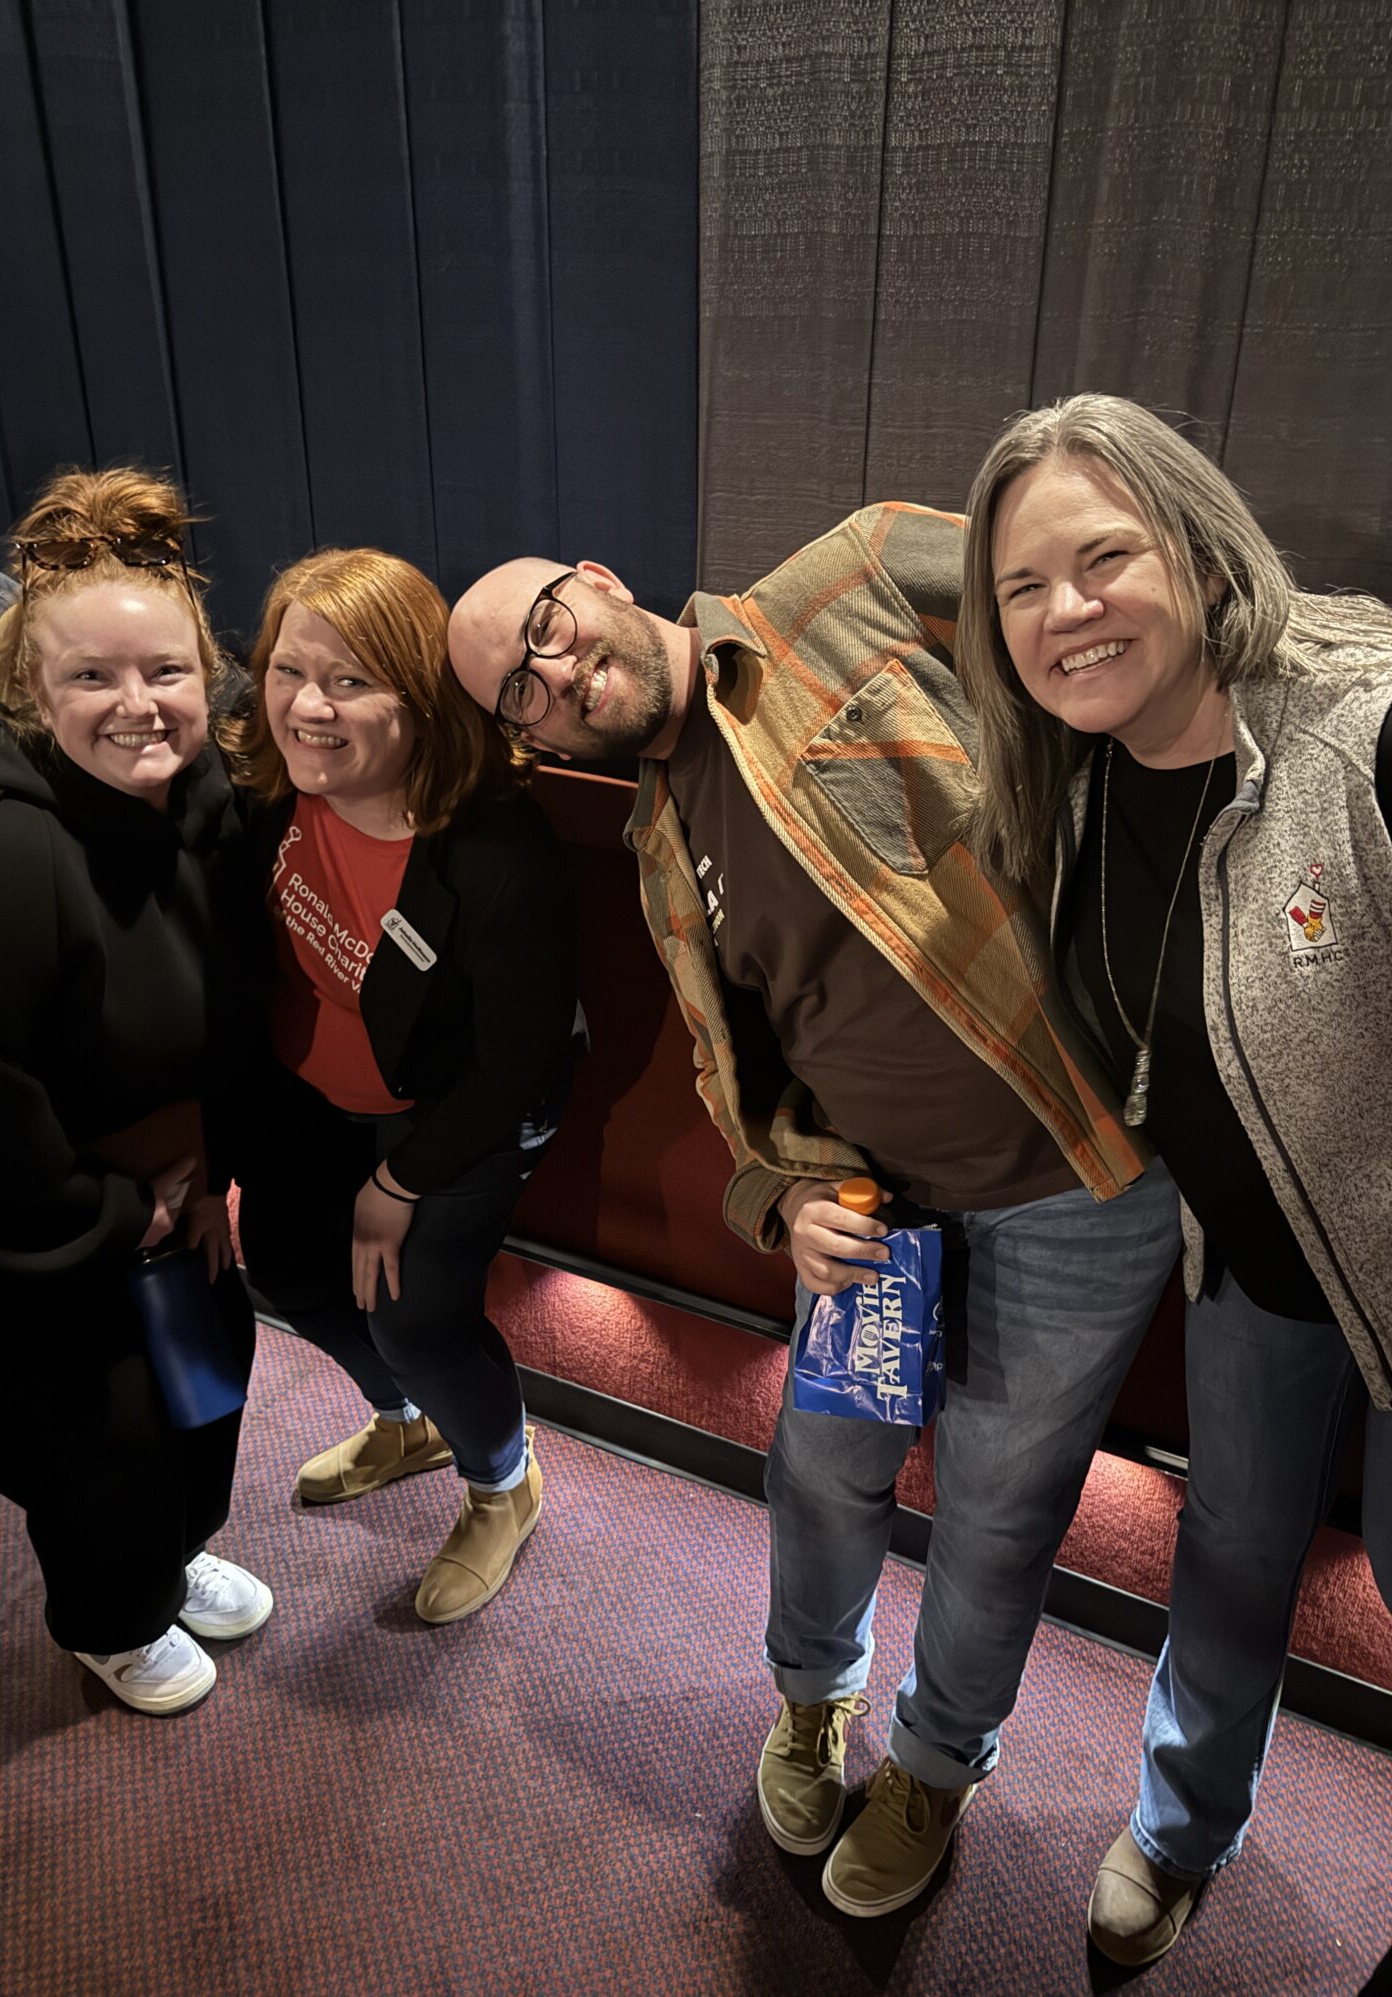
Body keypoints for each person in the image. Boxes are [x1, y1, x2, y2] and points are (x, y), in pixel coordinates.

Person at [447, 521, 1182, 1917]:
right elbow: (742, 1080)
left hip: (1078, 1184)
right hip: (871, 1218)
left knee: (995, 1516)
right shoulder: (659, 843)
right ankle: (809, 1702)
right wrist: (779, 1198)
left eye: (546, 629)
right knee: (820, 1475)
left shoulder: (851, 579)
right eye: (517, 696)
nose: (555, 677)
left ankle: (933, 1766)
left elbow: (1098, 622)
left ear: (600, 577)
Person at [958, 392, 1392, 1967]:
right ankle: (1183, 1825)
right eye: (1021, 589)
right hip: (1252, 1266)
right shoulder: (1075, 772)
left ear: (1194, 542)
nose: (1066, 611)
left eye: (1103, 555)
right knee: (1228, 1558)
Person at [229, 549, 577, 1625]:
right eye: (290, 672)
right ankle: (407, 1419)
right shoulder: (263, 786)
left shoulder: (493, 844)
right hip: (311, 1093)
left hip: (454, 1109)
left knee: (416, 1314)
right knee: (286, 1265)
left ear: (418, 697)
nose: (309, 707)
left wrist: (402, 1181)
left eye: (350, 680)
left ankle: (500, 1479)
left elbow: (514, 1063)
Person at [0, 467, 269, 1716]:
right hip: (51, 1221)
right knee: (90, 1444)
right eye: (91, 677)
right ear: (29, 694)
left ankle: (167, 1553)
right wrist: (112, 1213)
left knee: (205, 1388)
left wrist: (211, 1167)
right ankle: (108, 1617)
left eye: (166, 672)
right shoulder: (9, 843)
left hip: (182, 1187)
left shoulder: (213, 809)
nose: (137, 706)